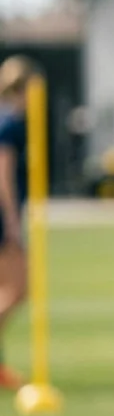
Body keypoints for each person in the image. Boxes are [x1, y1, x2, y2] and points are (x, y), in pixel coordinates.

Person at [0, 55, 31, 390]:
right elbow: (3, 176)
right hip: (3, 217)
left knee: (8, 290)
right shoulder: (9, 124)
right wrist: (12, 223)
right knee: (17, 289)